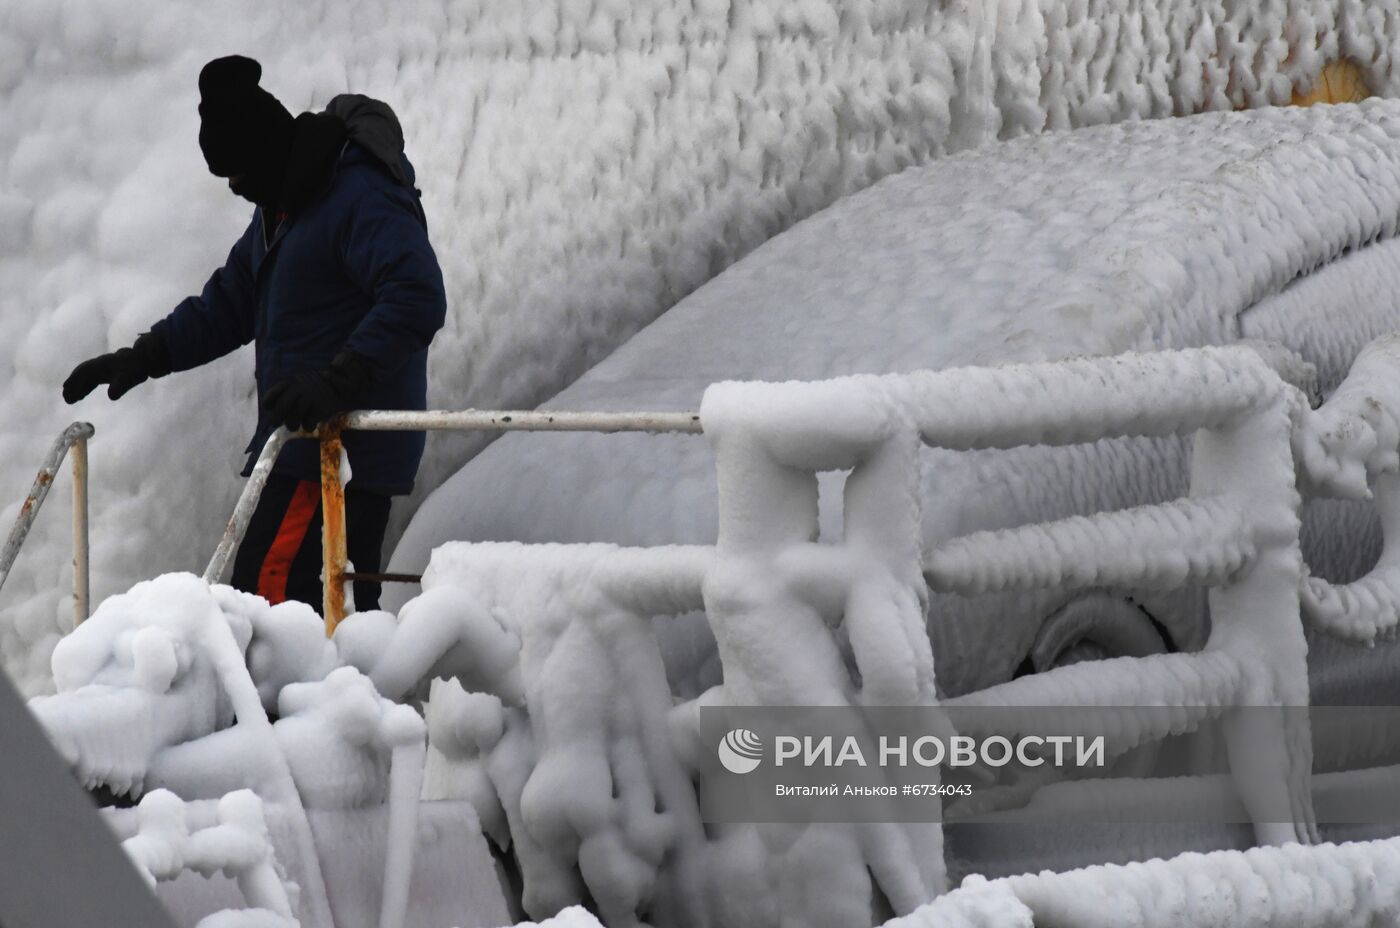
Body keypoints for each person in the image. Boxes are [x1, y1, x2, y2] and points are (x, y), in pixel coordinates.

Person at [62, 55, 447, 613]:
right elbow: (229, 303)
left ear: (267, 151)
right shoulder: (284, 207)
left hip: (334, 449)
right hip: (309, 446)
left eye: (238, 173)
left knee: (266, 609)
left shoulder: (357, 196)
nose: (235, 187)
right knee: (329, 616)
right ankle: (336, 698)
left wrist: (335, 383)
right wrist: (144, 356)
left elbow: (417, 294)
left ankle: (278, 705)